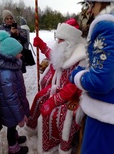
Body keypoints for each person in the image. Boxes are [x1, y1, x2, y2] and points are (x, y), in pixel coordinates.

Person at [25, 18, 87, 153]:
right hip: (58, 88)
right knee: (40, 97)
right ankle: (33, 127)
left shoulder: (80, 57)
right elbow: (54, 56)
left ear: (70, 41)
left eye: (61, 40)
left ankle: (59, 145)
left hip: (74, 96)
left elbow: (73, 86)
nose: (57, 43)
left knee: (57, 115)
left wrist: (54, 101)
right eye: (57, 39)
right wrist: (42, 46)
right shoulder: (65, 49)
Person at [69, 0, 114, 153]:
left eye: (92, 4)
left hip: (105, 117)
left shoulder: (106, 27)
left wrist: (77, 75)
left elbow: (101, 82)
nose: (90, 11)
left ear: (104, 1)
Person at [0, 30, 30, 154]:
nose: (21, 54)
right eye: (19, 52)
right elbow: (11, 98)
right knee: (11, 127)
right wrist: (20, 116)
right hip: (10, 108)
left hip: (11, 108)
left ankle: (15, 138)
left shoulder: (11, 67)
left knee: (13, 126)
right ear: (11, 55)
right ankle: (13, 148)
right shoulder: (7, 73)